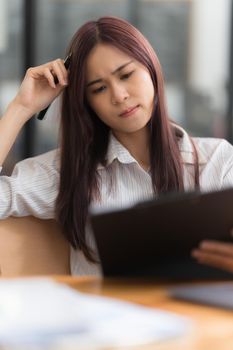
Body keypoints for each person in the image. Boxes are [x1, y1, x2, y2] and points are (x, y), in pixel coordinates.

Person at [0, 16, 233, 275]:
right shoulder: (68, 172)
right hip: (107, 312)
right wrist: (21, 108)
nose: (119, 96)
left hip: (200, 314)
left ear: (151, 69)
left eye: (126, 74)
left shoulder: (219, 161)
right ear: (87, 102)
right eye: (99, 89)